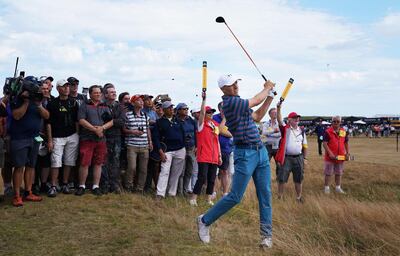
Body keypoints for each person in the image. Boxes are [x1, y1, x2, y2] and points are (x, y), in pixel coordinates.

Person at [197, 74, 275, 248]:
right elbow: (255, 100)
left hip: (260, 151)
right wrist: (267, 87)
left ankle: (266, 236)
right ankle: (204, 220)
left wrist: (270, 97)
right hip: (245, 153)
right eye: (231, 84)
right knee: (235, 196)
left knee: (265, 195)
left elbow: (257, 116)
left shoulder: (239, 102)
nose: (235, 86)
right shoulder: (230, 103)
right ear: (223, 89)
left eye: (236, 83)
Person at [9, 76, 49, 206]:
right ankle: (16, 195)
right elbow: (17, 115)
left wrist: (38, 105)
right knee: (19, 166)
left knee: (31, 166)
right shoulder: (17, 99)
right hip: (19, 138)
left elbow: (47, 116)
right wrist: (26, 101)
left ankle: (28, 191)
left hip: (35, 137)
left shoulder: (38, 100)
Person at [75, 85, 113, 196]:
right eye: (95, 93)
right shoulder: (84, 105)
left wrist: (102, 128)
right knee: (84, 163)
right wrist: (94, 129)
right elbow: (81, 120)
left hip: (101, 139)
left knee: (98, 163)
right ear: (90, 94)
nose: (98, 94)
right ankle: (82, 186)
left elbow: (111, 121)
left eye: (99, 93)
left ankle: (96, 186)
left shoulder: (104, 106)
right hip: (87, 138)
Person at [46, 79, 79, 197]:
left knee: (69, 161)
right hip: (57, 136)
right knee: (55, 161)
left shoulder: (74, 103)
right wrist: (50, 140)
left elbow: (76, 121)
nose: (66, 88)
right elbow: (48, 123)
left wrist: (78, 135)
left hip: (72, 135)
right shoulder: (52, 103)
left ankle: (65, 183)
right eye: (64, 86)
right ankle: (54, 185)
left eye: (67, 86)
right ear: (58, 89)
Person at [190, 99, 221, 206]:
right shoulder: (201, 124)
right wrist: (203, 100)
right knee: (202, 177)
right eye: (208, 112)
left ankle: (208, 199)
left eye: (212, 112)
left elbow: (217, 142)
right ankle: (193, 198)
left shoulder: (214, 126)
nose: (211, 114)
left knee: (212, 179)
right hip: (204, 155)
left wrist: (219, 155)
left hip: (214, 156)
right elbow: (202, 113)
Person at [153, 101, 186, 199]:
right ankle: (160, 193)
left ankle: (171, 193)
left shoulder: (178, 120)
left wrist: (183, 147)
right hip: (167, 150)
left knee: (176, 173)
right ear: (163, 110)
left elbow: (183, 134)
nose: (171, 109)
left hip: (180, 149)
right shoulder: (159, 122)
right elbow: (156, 138)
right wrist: (160, 152)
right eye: (169, 108)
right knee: (165, 171)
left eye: (172, 107)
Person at [275, 105, 308, 203]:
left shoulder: (302, 131)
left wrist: (305, 158)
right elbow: (280, 120)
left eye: (298, 118)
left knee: (299, 179)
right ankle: (280, 197)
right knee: (282, 178)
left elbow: (305, 145)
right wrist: (279, 109)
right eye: (294, 118)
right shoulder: (285, 129)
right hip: (287, 158)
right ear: (289, 120)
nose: (297, 119)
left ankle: (298, 197)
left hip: (299, 158)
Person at [123, 95, 152, 193]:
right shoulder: (128, 115)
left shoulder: (145, 116)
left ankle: (140, 188)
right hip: (132, 145)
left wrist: (150, 142)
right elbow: (123, 129)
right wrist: (133, 132)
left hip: (144, 145)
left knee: (143, 169)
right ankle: (128, 186)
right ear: (133, 103)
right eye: (139, 100)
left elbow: (148, 129)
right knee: (132, 167)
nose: (141, 102)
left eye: (142, 101)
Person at [100, 83, 125, 194]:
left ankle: (114, 184)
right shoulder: (101, 106)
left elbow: (122, 121)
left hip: (116, 137)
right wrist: (114, 121)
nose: (114, 93)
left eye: (115, 92)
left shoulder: (120, 106)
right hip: (104, 137)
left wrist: (112, 121)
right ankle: (104, 184)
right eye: (111, 92)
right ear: (105, 95)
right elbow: (99, 120)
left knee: (115, 161)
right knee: (104, 161)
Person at [323, 116, 349, 194]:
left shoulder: (343, 131)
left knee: (339, 173)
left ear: (340, 122)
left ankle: (338, 187)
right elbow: (324, 144)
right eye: (334, 121)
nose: (336, 123)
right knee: (328, 173)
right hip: (330, 157)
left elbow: (346, 142)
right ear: (332, 122)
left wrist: (347, 153)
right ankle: (326, 188)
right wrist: (330, 153)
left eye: (338, 121)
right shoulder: (328, 131)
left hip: (340, 156)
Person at [212, 102, 233, 198]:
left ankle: (225, 193)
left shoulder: (232, 118)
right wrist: (224, 119)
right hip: (215, 148)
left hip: (226, 149)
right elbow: (218, 131)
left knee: (224, 171)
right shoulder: (214, 118)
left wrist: (224, 131)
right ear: (219, 109)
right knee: (214, 172)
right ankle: (213, 192)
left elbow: (232, 133)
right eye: (223, 109)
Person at [176, 103, 197, 195]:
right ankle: (179, 191)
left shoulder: (191, 120)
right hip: (181, 148)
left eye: (187, 108)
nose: (186, 110)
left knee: (189, 171)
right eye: (184, 109)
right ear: (179, 110)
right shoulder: (175, 120)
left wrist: (196, 145)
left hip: (191, 148)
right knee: (181, 172)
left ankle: (185, 191)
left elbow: (196, 133)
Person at [262, 107, 281, 177]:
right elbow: (264, 133)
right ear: (269, 114)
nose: (275, 114)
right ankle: (265, 177)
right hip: (267, 146)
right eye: (273, 113)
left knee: (279, 164)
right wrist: (274, 131)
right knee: (265, 163)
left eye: (276, 113)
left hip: (277, 146)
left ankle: (279, 178)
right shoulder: (265, 124)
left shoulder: (280, 123)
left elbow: (280, 134)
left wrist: (269, 134)